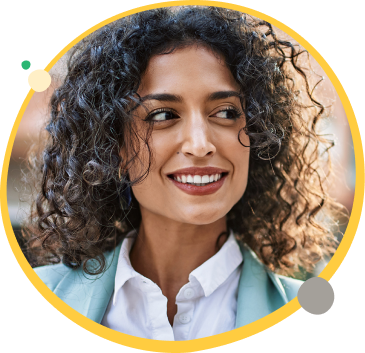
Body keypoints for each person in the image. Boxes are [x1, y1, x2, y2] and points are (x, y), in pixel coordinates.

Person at [21, 6, 343, 341]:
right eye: (162, 116)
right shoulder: (31, 300)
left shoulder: (321, 309)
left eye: (226, 112)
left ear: (257, 133)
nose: (200, 144)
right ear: (113, 145)